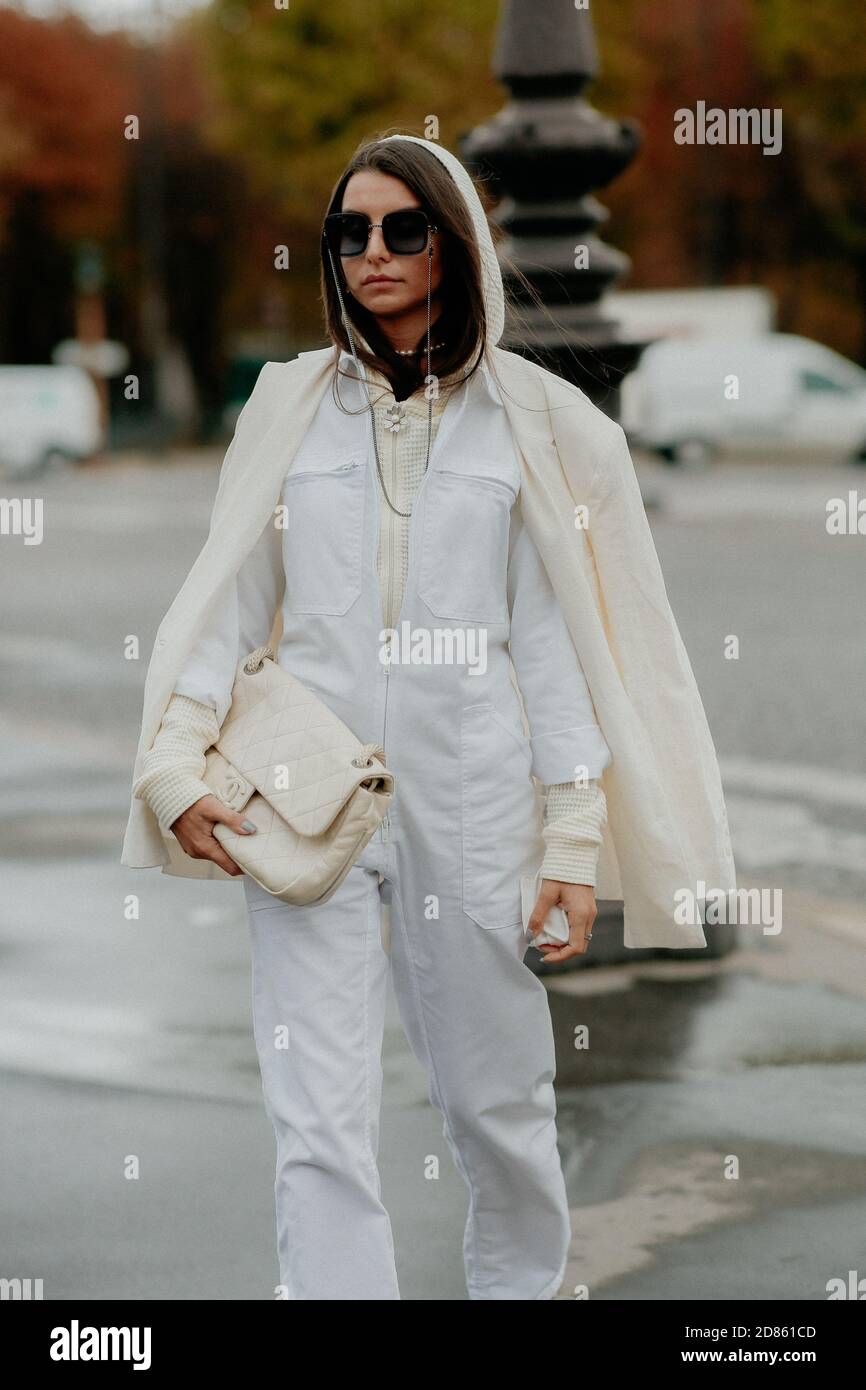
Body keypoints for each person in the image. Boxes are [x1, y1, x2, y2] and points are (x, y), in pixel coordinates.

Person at [123, 132, 733, 1299]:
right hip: (302, 800)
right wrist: (173, 762)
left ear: (454, 248)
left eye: (404, 228)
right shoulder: (289, 408)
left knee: (498, 1105)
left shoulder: (534, 424)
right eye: (349, 232)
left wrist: (567, 839)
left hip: (474, 802)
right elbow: (227, 599)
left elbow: (558, 650)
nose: (373, 252)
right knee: (317, 1117)